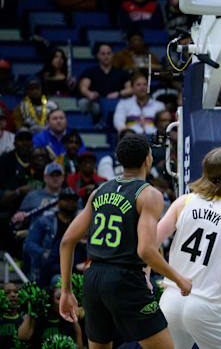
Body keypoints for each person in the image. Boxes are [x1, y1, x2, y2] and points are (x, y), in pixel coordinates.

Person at [58, 133, 192, 348]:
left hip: (93, 278)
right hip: (125, 279)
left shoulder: (99, 191)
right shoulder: (149, 194)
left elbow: (66, 241)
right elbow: (146, 250)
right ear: (148, 159)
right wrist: (179, 279)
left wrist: (66, 291)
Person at [156, 147, 221, 348]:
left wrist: (146, 273)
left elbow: (149, 243)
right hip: (206, 305)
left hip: (171, 300)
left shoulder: (183, 202)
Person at [24, 187, 82, 286]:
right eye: (66, 199)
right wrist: (44, 253)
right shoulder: (44, 221)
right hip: (50, 267)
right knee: (58, 280)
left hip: (74, 266)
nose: (70, 203)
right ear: (58, 202)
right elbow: (29, 244)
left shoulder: (79, 222)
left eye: (73, 200)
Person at [77, 43, 132, 122]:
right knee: (83, 103)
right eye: (103, 54)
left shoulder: (122, 73)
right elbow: (83, 87)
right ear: (97, 55)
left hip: (117, 105)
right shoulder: (90, 71)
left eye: (109, 53)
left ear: (113, 55)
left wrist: (118, 94)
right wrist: (90, 94)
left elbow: (130, 89)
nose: (106, 56)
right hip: (97, 105)